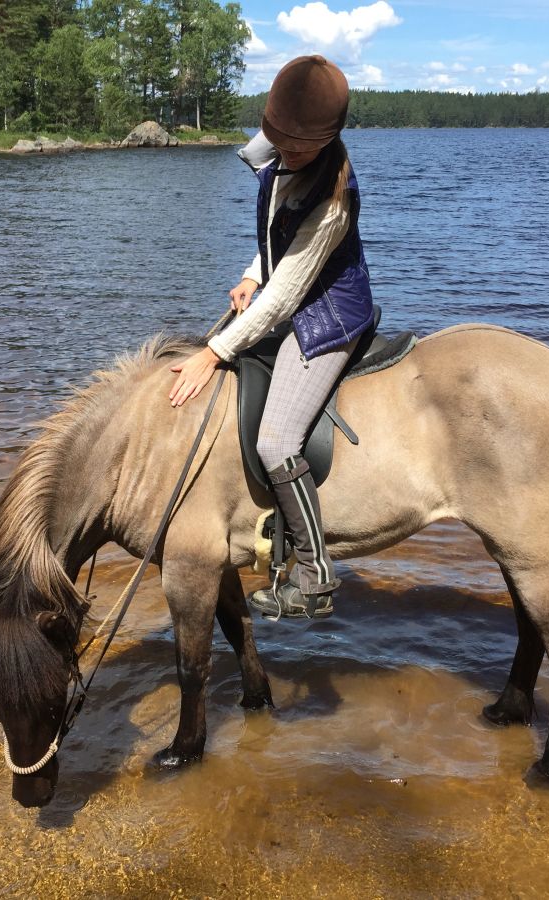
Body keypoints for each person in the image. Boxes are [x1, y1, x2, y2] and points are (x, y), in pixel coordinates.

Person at [169, 55, 375, 620]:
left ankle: (314, 575)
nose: (291, 152)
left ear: (328, 138)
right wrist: (251, 273)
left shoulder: (333, 200)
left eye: (304, 146)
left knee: (276, 440)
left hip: (329, 313)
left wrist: (213, 352)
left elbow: (287, 297)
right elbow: (274, 236)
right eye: (283, 141)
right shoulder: (275, 149)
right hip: (292, 291)